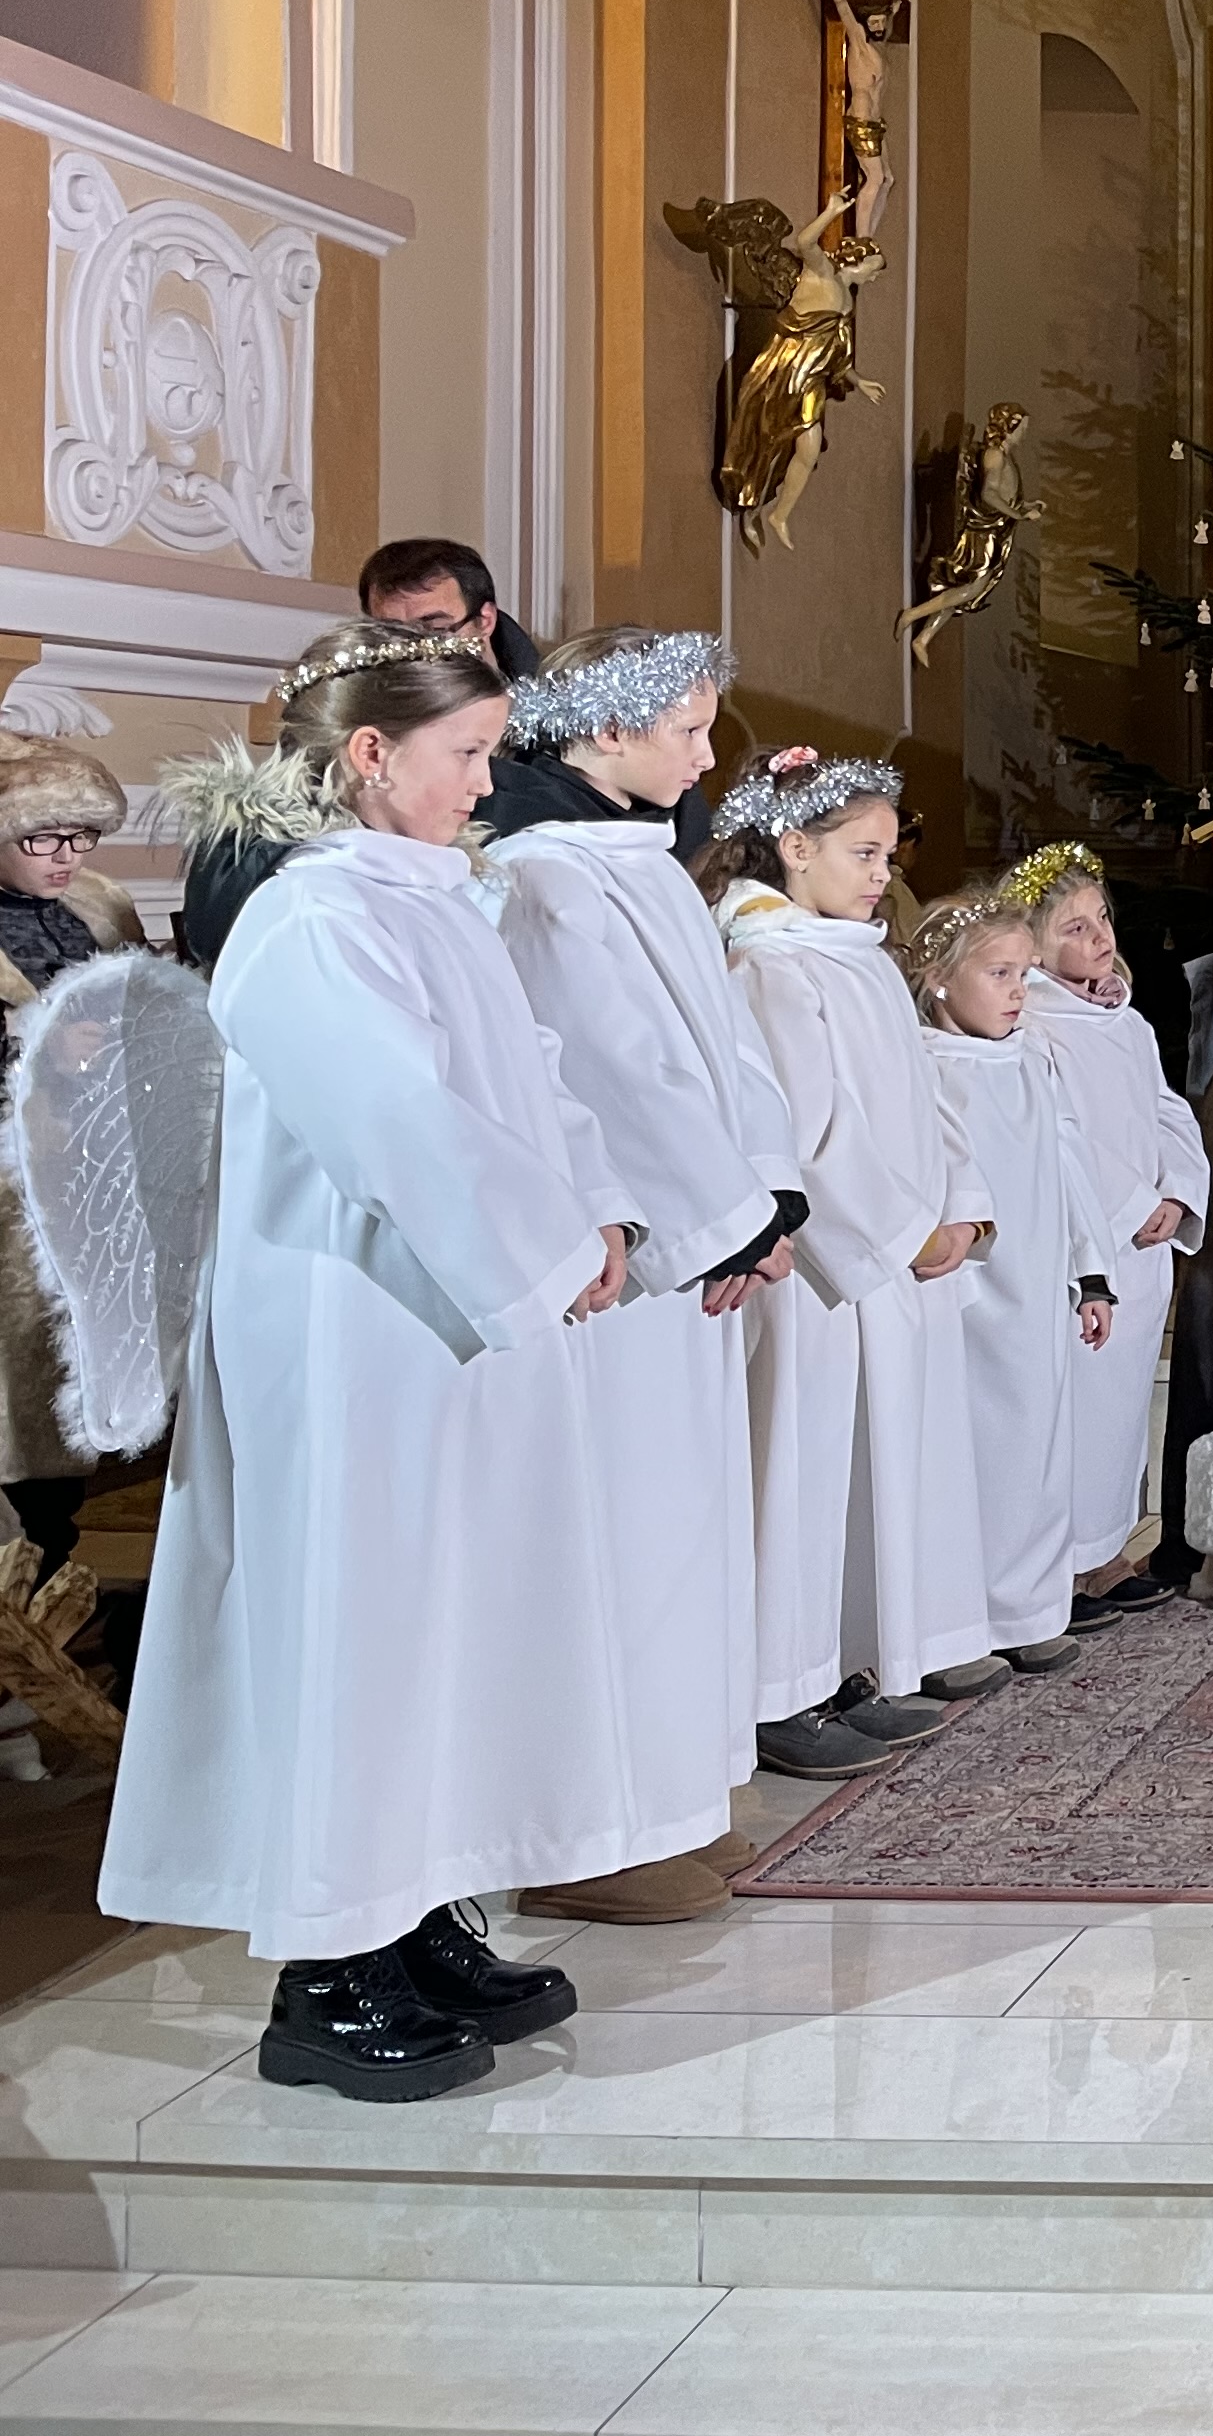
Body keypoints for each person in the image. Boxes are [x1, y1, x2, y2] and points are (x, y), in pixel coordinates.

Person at [99, 626, 628, 2102]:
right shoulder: (310, 917)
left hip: (448, 1320)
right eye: (468, 755)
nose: (489, 784)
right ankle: (327, 1970)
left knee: (443, 1620)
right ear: (370, 754)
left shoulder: (435, 902)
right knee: (359, 1620)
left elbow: (531, 1081)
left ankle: (416, 1911)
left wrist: (597, 1215)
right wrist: (541, 1250)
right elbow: (399, 1121)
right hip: (348, 1329)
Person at [482, 629, 806, 1909]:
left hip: (700, 1246)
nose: (709, 755)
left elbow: (730, 1050)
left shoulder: (645, 864)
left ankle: (678, 1795)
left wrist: (770, 1197)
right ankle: (587, 1836)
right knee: (616, 1539)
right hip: (623, 1260)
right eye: (688, 729)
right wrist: (723, 1220)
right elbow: (612, 1069)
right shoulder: (544, 875)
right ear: (607, 732)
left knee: (685, 1537)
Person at [704, 749, 996, 1774]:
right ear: (794, 847)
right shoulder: (771, 966)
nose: (883, 874)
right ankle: (777, 1693)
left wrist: (962, 1209)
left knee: (860, 1475)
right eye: (863, 853)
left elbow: (925, 1097)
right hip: (825, 1271)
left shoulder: (856, 956)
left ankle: (839, 1666)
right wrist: (905, 1230)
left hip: (893, 1261)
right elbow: (802, 1133)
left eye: (886, 854)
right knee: (797, 1467)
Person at [906, 893, 1116, 1674]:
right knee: (964, 1455)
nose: (1019, 992)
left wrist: (1092, 1271)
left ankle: (1027, 1606)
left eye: (1024, 974)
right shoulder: (926, 1066)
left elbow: (1067, 1162)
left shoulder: (1031, 1059)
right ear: (939, 978)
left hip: (1037, 1288)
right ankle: (955, 1623)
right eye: (999, 974)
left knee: (1036, 1450)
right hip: (965, 1292)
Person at [1001, 844, 1206, 1614]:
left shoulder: (1127, 1020)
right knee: (1073, 1414)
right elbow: (1061, 1140)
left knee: (1119, 1417)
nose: (1100, 937)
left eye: (1102, 919)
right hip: (1085, 1247)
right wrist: (1126, 1208)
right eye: (1075, 927)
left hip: (1146, 1247)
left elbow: (1166, 1111)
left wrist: (1177, 1191)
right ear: (1033, 945)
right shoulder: (1033, 1026)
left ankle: (1107, 1553)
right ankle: (1058, 1569)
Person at [0, 742, 154, 1562]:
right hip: (12, 1183)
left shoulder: (100, 904)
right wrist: (37, 1046)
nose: (66, 857)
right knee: (20, 1385)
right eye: (43, 838)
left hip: (96, 1171)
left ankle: (56, 1557)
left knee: (76, 1371)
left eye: (81, 836)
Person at [357, 537, 543, 679]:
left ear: (485, 621)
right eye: (390, 634)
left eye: (435, 631)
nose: (411, 655)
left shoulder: (551, 705)